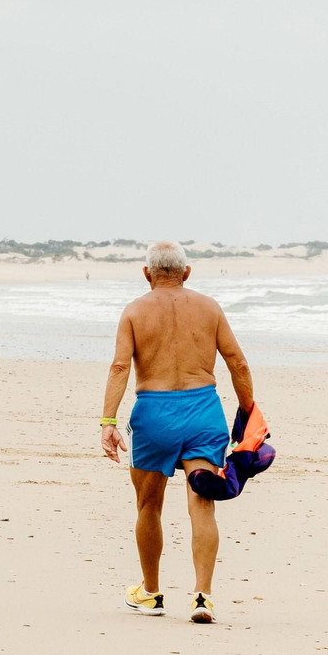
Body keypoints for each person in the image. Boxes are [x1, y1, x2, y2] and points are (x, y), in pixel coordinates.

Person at [99, 241, 254, 624]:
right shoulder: (209, 308)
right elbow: (237, 361)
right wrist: (249, 412)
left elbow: (120, 367)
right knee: (202, 503)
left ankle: (151, 594)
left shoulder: (134, 311)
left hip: (155, 415)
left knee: (148, 505)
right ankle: (203, 597)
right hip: (204, 413)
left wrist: (108, 422)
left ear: (147, 273)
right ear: (186, 272)